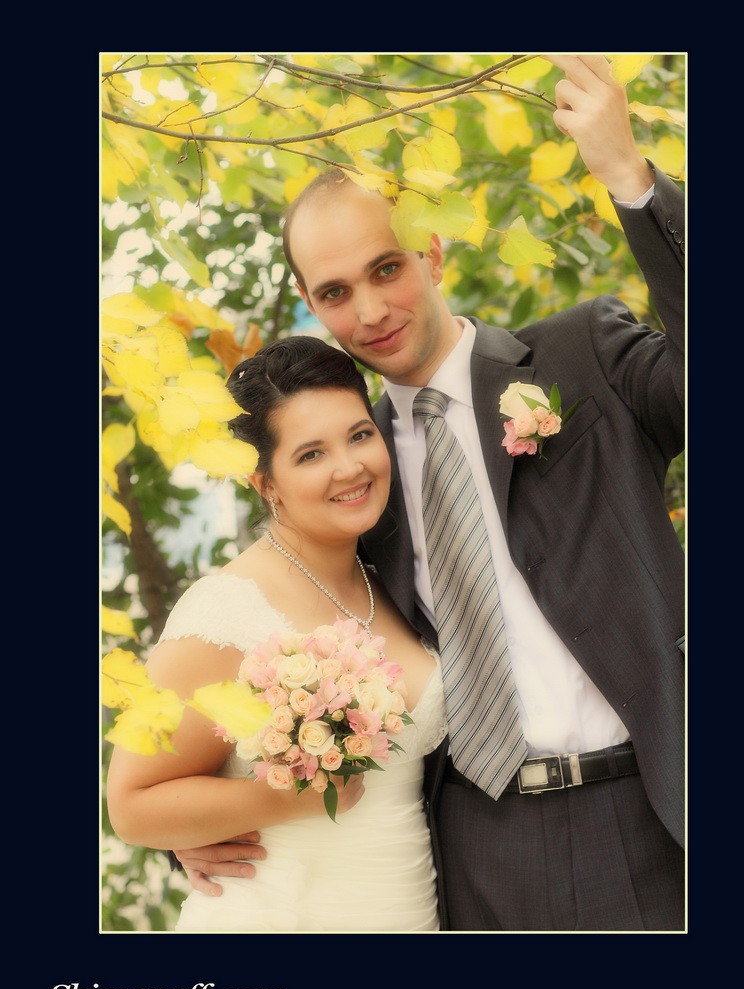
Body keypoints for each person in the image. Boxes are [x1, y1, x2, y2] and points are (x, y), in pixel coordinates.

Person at [172, 54, 685, 931]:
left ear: (432, 250)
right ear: (311, 302)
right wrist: (196, 824)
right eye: (336, 292)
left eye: (386, 269)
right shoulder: (349, 481)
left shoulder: (581, 357)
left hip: (647, 817)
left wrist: (629, 180)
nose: (370, 311)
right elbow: (273, 643)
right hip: (470, 852)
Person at [106, 335, 448, 932]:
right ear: (264, 481)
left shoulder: (393, 579)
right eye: (311, 454)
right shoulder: (225, 610)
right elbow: (132, 806)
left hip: (407, 911)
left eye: (359, 435)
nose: (350, 467)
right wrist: (289, 796)